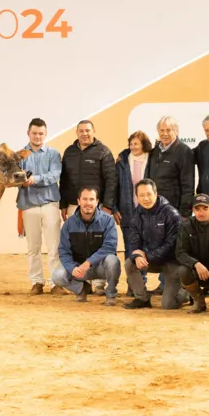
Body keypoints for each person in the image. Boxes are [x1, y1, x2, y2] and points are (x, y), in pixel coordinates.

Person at [58, 120, 117, 295]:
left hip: (97, 207)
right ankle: (81, 282)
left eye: (88, 131)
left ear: (94, 131)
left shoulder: (103, 151)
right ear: (76, 132)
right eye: (81, 131)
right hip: (73, 205)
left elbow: (111, 181)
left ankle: (99, 284)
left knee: (98, 244)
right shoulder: (69, 152)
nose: (85, 134)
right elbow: (64, 180)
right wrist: (63, 204)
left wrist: (107, 205)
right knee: (77, 244)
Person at [145, 116, 194, 295]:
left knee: (176, 248)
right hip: (156, 210)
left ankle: (180, 286)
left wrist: (184, 212)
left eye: (168, 130)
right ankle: (163, 283)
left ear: (176, 131)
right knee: (161, 245)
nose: (165, 134)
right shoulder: (155, 151)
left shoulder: (184, 151)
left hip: (175, 211)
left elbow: (188, 184)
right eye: (162, 130)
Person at [121, 179, 189, 310]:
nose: (145, 198)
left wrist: (146, 256)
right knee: (130, 263)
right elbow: (133, 242)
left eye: (149, 194)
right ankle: (142, 299)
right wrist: (137, 256)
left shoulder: (171, 214)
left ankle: (185, 293)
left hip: (172, 262)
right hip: (152, 259)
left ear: (156, 194)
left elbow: (171, 245)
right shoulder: (136, 214)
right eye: (141, 195)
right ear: (137, 197)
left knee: (168, 305)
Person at [16, 118, 63, 295]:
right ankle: (36, 282)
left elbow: (54, 175)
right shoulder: (19, 155)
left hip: (50, 204)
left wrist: (34, 179)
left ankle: (56, 283)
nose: (37, 136)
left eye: (41, 133)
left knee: (54, 246)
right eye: (34, 133)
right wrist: (21, 180)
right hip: (28, 205)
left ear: (45, 134)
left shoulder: (53, 154)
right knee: (33, 247)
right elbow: (14, 176)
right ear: (28, 133)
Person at [51, 188, 121, 306]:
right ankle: (82, 289)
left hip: (101, 267)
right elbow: (64, 251)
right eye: (84, 199)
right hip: (79, 269)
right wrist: (72, 268)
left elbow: (109, 247)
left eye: (91, 199)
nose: (88, 203)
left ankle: (110, 294)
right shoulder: (69, 224)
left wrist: (89, 262)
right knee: (57, 276)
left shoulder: (108, 220)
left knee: (113, 260)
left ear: (97, 202)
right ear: (78, 201)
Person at [115, 130, 152, 296]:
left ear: (143, 144)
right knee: (131, 248)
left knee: (146, 247)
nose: (133, 147)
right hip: (127, 212)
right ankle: (133, 285)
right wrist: (114, 208)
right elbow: (114, 186)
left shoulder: (152, 160)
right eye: (131, 144)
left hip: (148, 212)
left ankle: (143, 283)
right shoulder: (122, 161)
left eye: (136, 144)